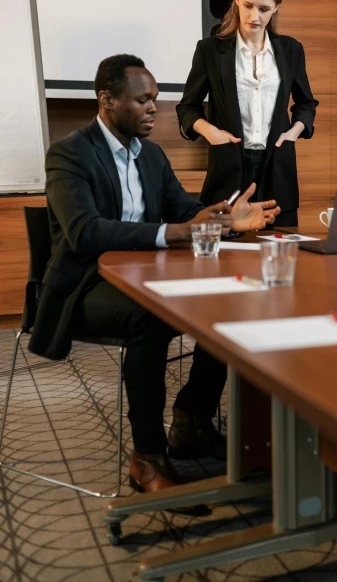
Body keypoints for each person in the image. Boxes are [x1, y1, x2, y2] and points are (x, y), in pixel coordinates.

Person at [28, 54, 280, 493]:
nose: (154, 109)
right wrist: (177, 231)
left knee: (228, 301)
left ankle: (191, 421)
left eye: (156, 100)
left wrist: (224, 222)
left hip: (145, 275)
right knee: (152, 316)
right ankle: (147, 455)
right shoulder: (69, 153)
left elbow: (184, 211)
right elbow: (85, 232)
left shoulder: (153, 155)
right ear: (107, 101)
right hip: (84, 285)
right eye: (143, 100)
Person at [176, 0, 319, 227]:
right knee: (223, 255)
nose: (255, 16)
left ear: (276, 7)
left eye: (264, 9)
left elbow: (306, 104)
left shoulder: (291, 50)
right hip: (227, 165)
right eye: (248, 6)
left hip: (277, 165)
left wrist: (293, 132)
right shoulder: (209, 50)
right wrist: (212, 134)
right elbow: (188, 108)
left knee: (279, 250)